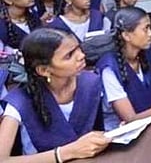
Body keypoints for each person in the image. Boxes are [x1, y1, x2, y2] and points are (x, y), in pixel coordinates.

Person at [0, 28, 110, 160]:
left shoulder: (91, 82)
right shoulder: (20, 101)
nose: (81, 55)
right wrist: (63, 153)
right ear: (44, 70)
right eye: (69, 55)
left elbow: (97, 130)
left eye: (78, 48)